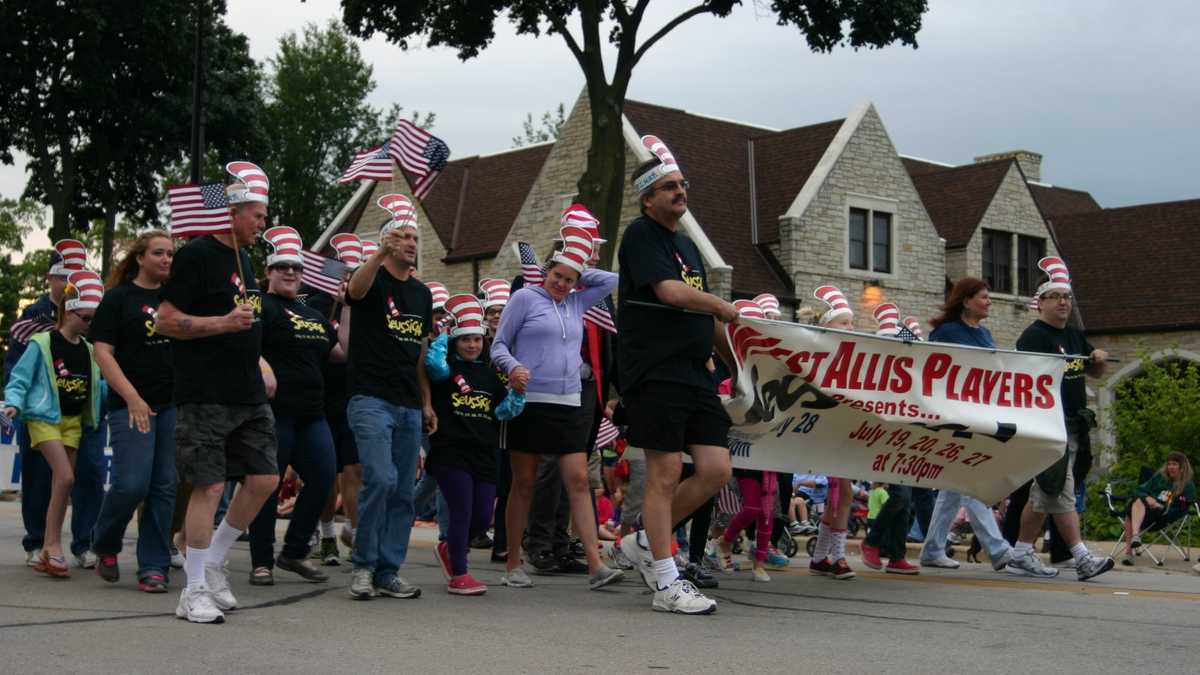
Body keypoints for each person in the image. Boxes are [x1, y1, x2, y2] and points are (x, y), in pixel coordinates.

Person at [615, 135, 737, 614]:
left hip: (695, 373)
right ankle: (667, 583)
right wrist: (721, 304)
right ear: (648, 199)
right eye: (669, 187)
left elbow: (705, 317)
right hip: (655, 371)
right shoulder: (640, 235)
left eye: (682, 185)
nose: (680, 192)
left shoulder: (687, 246)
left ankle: (646, 541)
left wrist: (736, 367)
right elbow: (670, 293)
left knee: (716, 469)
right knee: (664, 473)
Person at [155, 161, 280, 623]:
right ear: (233, 212)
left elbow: (248, 325)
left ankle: (213, 560)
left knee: (264, 479)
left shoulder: (245, 261)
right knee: (208, 486)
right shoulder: (197, 255)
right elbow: (165, 321)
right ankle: (192, 591)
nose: (262, 223)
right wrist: (221, 324)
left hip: (246, 391)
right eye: (257, 215)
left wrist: (260, 360)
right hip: (203, 392)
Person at [491, 222, 624, 591]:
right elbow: (498, 345)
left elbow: (613, 280)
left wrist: (579, 263)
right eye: (557, 275)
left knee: (578, 480)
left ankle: (596, 565)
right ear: (546, 270)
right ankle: (513, 563)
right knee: (524, 483)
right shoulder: (524, 298)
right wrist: (513, 367)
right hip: (530, 401)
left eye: (569, 279)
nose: (561, 284)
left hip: (569, 401)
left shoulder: (579, 301)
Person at [914, 278, 1054, 576]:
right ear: (966, 301)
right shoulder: (947, 333)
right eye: (983, 296)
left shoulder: (985, 334)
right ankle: (999, 551)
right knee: (971, 480)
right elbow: (931, 368)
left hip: (980, 416)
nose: (989, 301)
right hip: (954, 416)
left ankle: (933, 549)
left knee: (954, 487)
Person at [342, 194, 435, 601]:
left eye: (415, 237)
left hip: (409, 403)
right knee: (380, 478)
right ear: (388, 242)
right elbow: (353, 292)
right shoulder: (372, 278)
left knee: (402, 492)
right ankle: (363, 566)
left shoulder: (422, 294)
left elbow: (419, 353)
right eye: (404, 236)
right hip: (370, 397)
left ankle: (388, 570)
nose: (411, 243)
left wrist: (426, 401)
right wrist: (379, 252)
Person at [246, 227, 343, 585]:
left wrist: (347, 305)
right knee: (266, 484)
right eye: (282, 266)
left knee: (323, 478)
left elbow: (341, 352)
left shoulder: (313, 314)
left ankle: (294, 551)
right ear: (269, 271)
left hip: (312, 413)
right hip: (274, 411)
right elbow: (244, 343)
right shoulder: (261, 304)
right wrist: (263, 366)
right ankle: (261, 561)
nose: (290, 272)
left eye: (296, 268)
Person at [5, 241, 106, 570]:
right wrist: (15, 403)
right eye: (63, 276)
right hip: (43, 414)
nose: (68, 282)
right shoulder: (34, 322)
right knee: (45, 478)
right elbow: (18, 372)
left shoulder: (92, 329)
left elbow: (102, 374)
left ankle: (80, 543)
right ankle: (41, 542)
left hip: (80, 416)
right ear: (50, 278)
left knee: (83, 476)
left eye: (75, 275)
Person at [1013, 257, 1113, 581]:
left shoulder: (1073, 336)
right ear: (1040, 302)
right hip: (1047, 425)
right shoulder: (1033, 337)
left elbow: (1095, 373)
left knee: (1044, 493)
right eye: (1055, 296)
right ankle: (1082, 557)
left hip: (1074, 425)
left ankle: (1021, 552)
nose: (1063, 302)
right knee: (1060, 489)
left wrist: (1098, 359)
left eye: (1067, 297)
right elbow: (1024, 383)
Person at [89, 231, 178, 592]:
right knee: (131, 484)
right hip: (130, 404)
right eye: (159, 253)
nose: (166, 259)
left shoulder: (176, 298)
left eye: (170, 254)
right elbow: (102, 353)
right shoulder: (118, 299)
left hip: (172, 404)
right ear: (140, 258)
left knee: (164, 486)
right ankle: (105, 541)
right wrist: (132, 398)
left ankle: (154, 565)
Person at [426, 294, 525, 594]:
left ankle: (450, 548)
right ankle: (459, 573)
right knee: (462, 512)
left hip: (485, 452)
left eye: (477, 340)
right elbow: (432, 364)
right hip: (450, 451)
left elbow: (503, 412)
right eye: (465, 339)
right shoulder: (445, 369)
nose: (472, 345)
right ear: (455, 341)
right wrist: (442, 336)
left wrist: (518, 392)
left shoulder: (489, 374)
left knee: (482, 518)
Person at [308, 232, 364, 564]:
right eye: (343, 271)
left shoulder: (365, 304)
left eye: (354, 272)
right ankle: (327, 533)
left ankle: (355, 534)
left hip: (354, 397)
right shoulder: (316, 304)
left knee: (355, 468)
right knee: (326, 472)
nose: (347, 278)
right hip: (321, 399)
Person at [858, 303, 920, 574]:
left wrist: (907, 330)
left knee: (905, 501)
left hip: (907, 436)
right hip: (884, 437)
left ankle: (896, 556)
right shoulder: (872, 369)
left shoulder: (908, 368)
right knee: (900, 496)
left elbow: (921, 349)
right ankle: (872, 542)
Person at [803, 286, 859, 580]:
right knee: (842, 493)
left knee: (841, 494)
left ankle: (819, 558)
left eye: (852, 323)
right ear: (828, 326)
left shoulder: (852, 356)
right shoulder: (821, 354)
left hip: (843, 433)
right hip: (825, 432)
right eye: (844, 322)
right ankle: (837, 557)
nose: (850, 327)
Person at [1123, 451, 1195, 565]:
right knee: (1135, 503)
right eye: (1169, 464)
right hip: (1144, 511)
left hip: (1163, 516)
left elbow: (1183, 508)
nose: (1170, 467)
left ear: (1182, 467)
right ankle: (1135, 537)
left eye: (1174, 464)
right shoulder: (1159, 478)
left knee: (1131, 511)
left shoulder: (1187, 485)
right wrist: (1148, 498)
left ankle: (1129, 551)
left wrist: (1161, 506)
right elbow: (1139, 490)